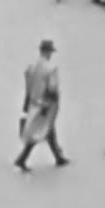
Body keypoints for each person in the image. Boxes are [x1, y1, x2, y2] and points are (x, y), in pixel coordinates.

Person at [15, 39, 69, 172]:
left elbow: (28, 84)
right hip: (45, 105)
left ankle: (58, 156)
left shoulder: (31, 66)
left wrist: (26, 102)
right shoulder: (51, 69)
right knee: (38, 131)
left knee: (48, 129)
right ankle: (22, 159)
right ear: (49, 52)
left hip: (33, 103)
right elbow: (52, 89)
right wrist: (53, 103)